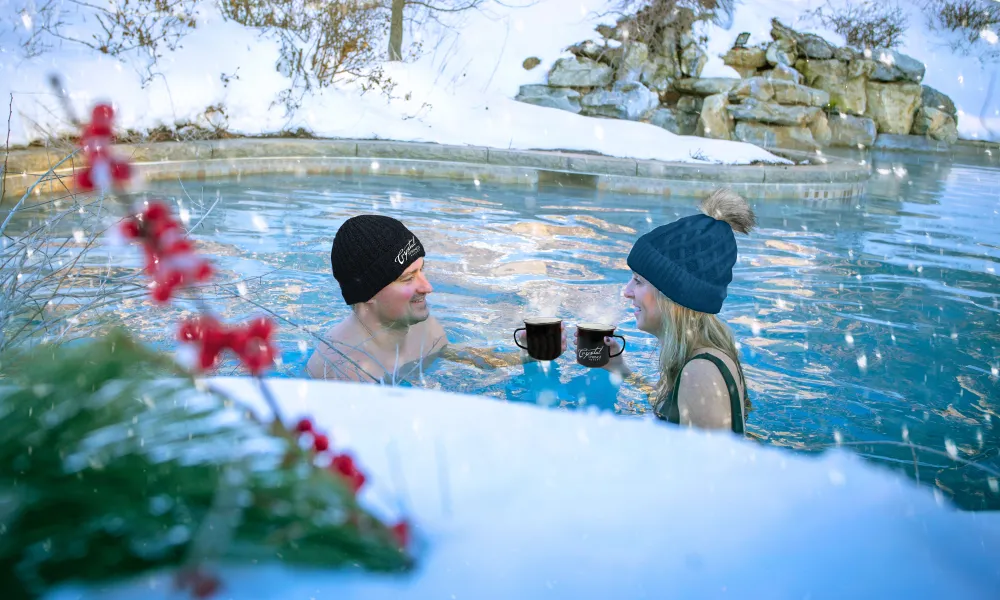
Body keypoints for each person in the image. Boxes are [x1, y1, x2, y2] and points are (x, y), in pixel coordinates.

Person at [307, 214, 565, 384]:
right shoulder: (341, 369)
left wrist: (529, 355)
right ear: (367, 294)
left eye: (422, 270)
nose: (427, 287)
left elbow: (456, 356)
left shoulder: (421, 326)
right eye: (408, 278)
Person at [586, 189, 753, 433]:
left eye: (638, 281)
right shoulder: (700, 357)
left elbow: (708, 470)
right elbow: (673, 409)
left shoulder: (700, 374)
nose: (627, 291)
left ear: (672, 297)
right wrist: (621, 370)